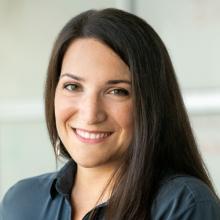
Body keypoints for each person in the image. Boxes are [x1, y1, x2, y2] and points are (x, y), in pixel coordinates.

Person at [0, 8, 220, 220]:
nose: (90, 114)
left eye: (117, 91)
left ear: (151, 104)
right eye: (73, 86)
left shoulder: (183, 205)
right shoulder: (21, 202)